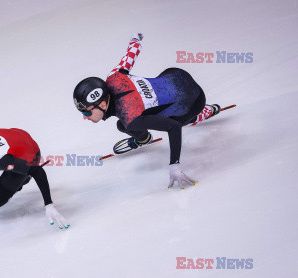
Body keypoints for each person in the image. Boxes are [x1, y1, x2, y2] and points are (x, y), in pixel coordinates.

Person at [73, 33, 221, 189]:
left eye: (87, 112)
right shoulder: (114, 77)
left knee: (171, 121)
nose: (84, 117)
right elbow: (131, 54)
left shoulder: (130, 117)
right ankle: (144, 138)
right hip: (176, 74)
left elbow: (173, 128)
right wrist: (136, 40)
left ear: (103, 105)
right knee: (123, 125)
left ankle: (204, 112)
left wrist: (174, 166)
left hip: (194, 101)